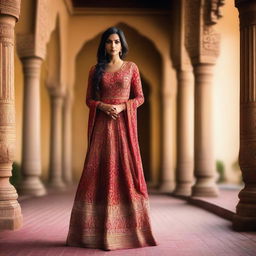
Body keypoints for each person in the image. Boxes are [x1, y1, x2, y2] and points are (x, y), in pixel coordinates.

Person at [66, 27, 157, 251]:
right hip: (102, 129)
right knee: (97, 172)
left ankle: (129, 233)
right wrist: (104, 106)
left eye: (116, 42)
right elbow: (89, 99)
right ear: (104, 45)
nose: (113, 46)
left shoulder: (131, 68)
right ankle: (91, 233)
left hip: (123, 128)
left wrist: (122, 106)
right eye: (109, 42)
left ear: (122, 44)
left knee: (124, 171)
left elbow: (140, 97)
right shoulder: (95, 70)